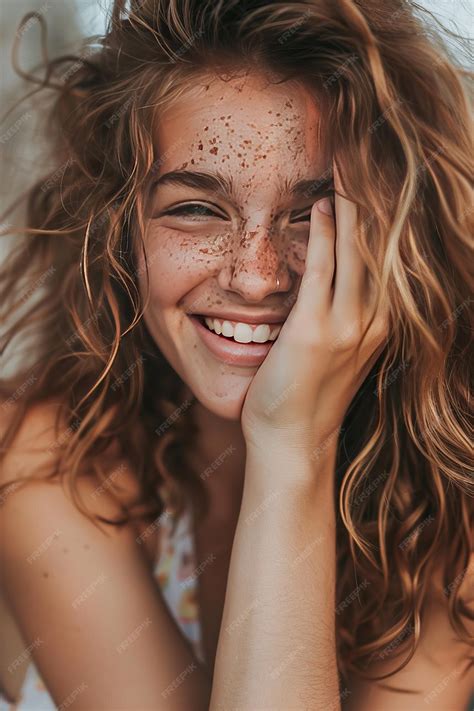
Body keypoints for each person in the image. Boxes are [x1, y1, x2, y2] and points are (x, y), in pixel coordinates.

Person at [0, 1, 472, 709]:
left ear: (397, 239)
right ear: (117, 229)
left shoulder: (448, 496)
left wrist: (291, 447)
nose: (256, 274)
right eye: (196, 207)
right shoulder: (38, 461)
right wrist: (292, 447)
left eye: (316, 216)